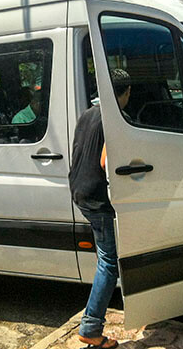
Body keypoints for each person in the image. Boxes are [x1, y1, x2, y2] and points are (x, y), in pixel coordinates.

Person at [69, 68, 131, 349]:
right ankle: (91, 327)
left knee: (105, 257)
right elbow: (108, 162)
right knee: (108, 263)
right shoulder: (113, 117)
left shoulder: (86, 114)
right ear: (126, 93)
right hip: (97, 196)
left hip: (79, 191)